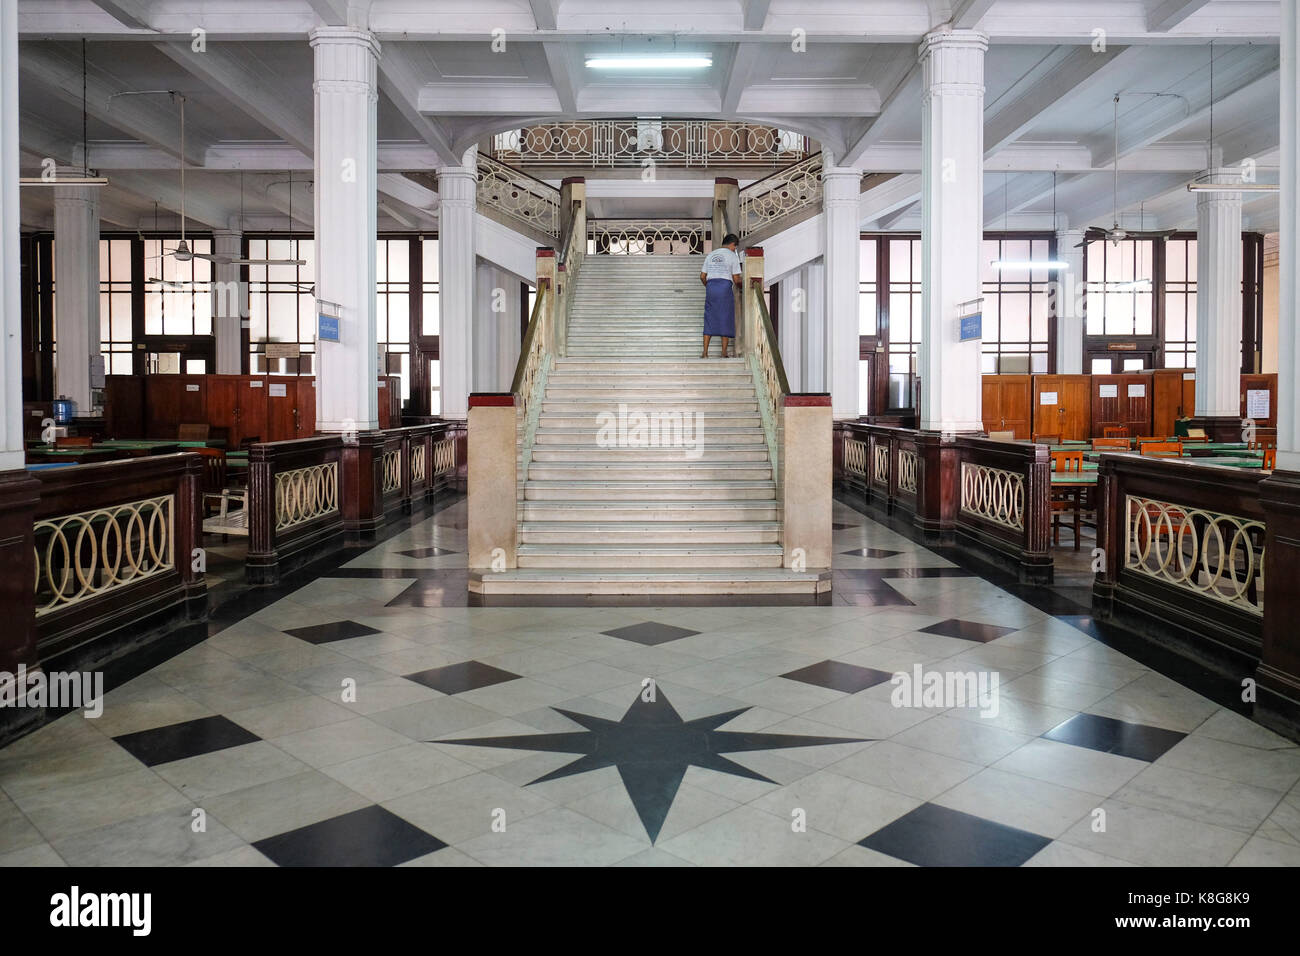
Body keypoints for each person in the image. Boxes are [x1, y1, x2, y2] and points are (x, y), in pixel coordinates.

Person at [700, 233, 742, 358]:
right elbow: (736, 279)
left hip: (711, 287)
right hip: (724, 287)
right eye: (735, 247)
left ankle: (705, 352)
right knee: (726, 318)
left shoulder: (711, 255)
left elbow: (702, 276)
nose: (735, 249)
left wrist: (708, 286)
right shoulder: (732, 256)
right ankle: (723, 353)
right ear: (732, 244)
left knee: (709, 319)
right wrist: (742, 285)